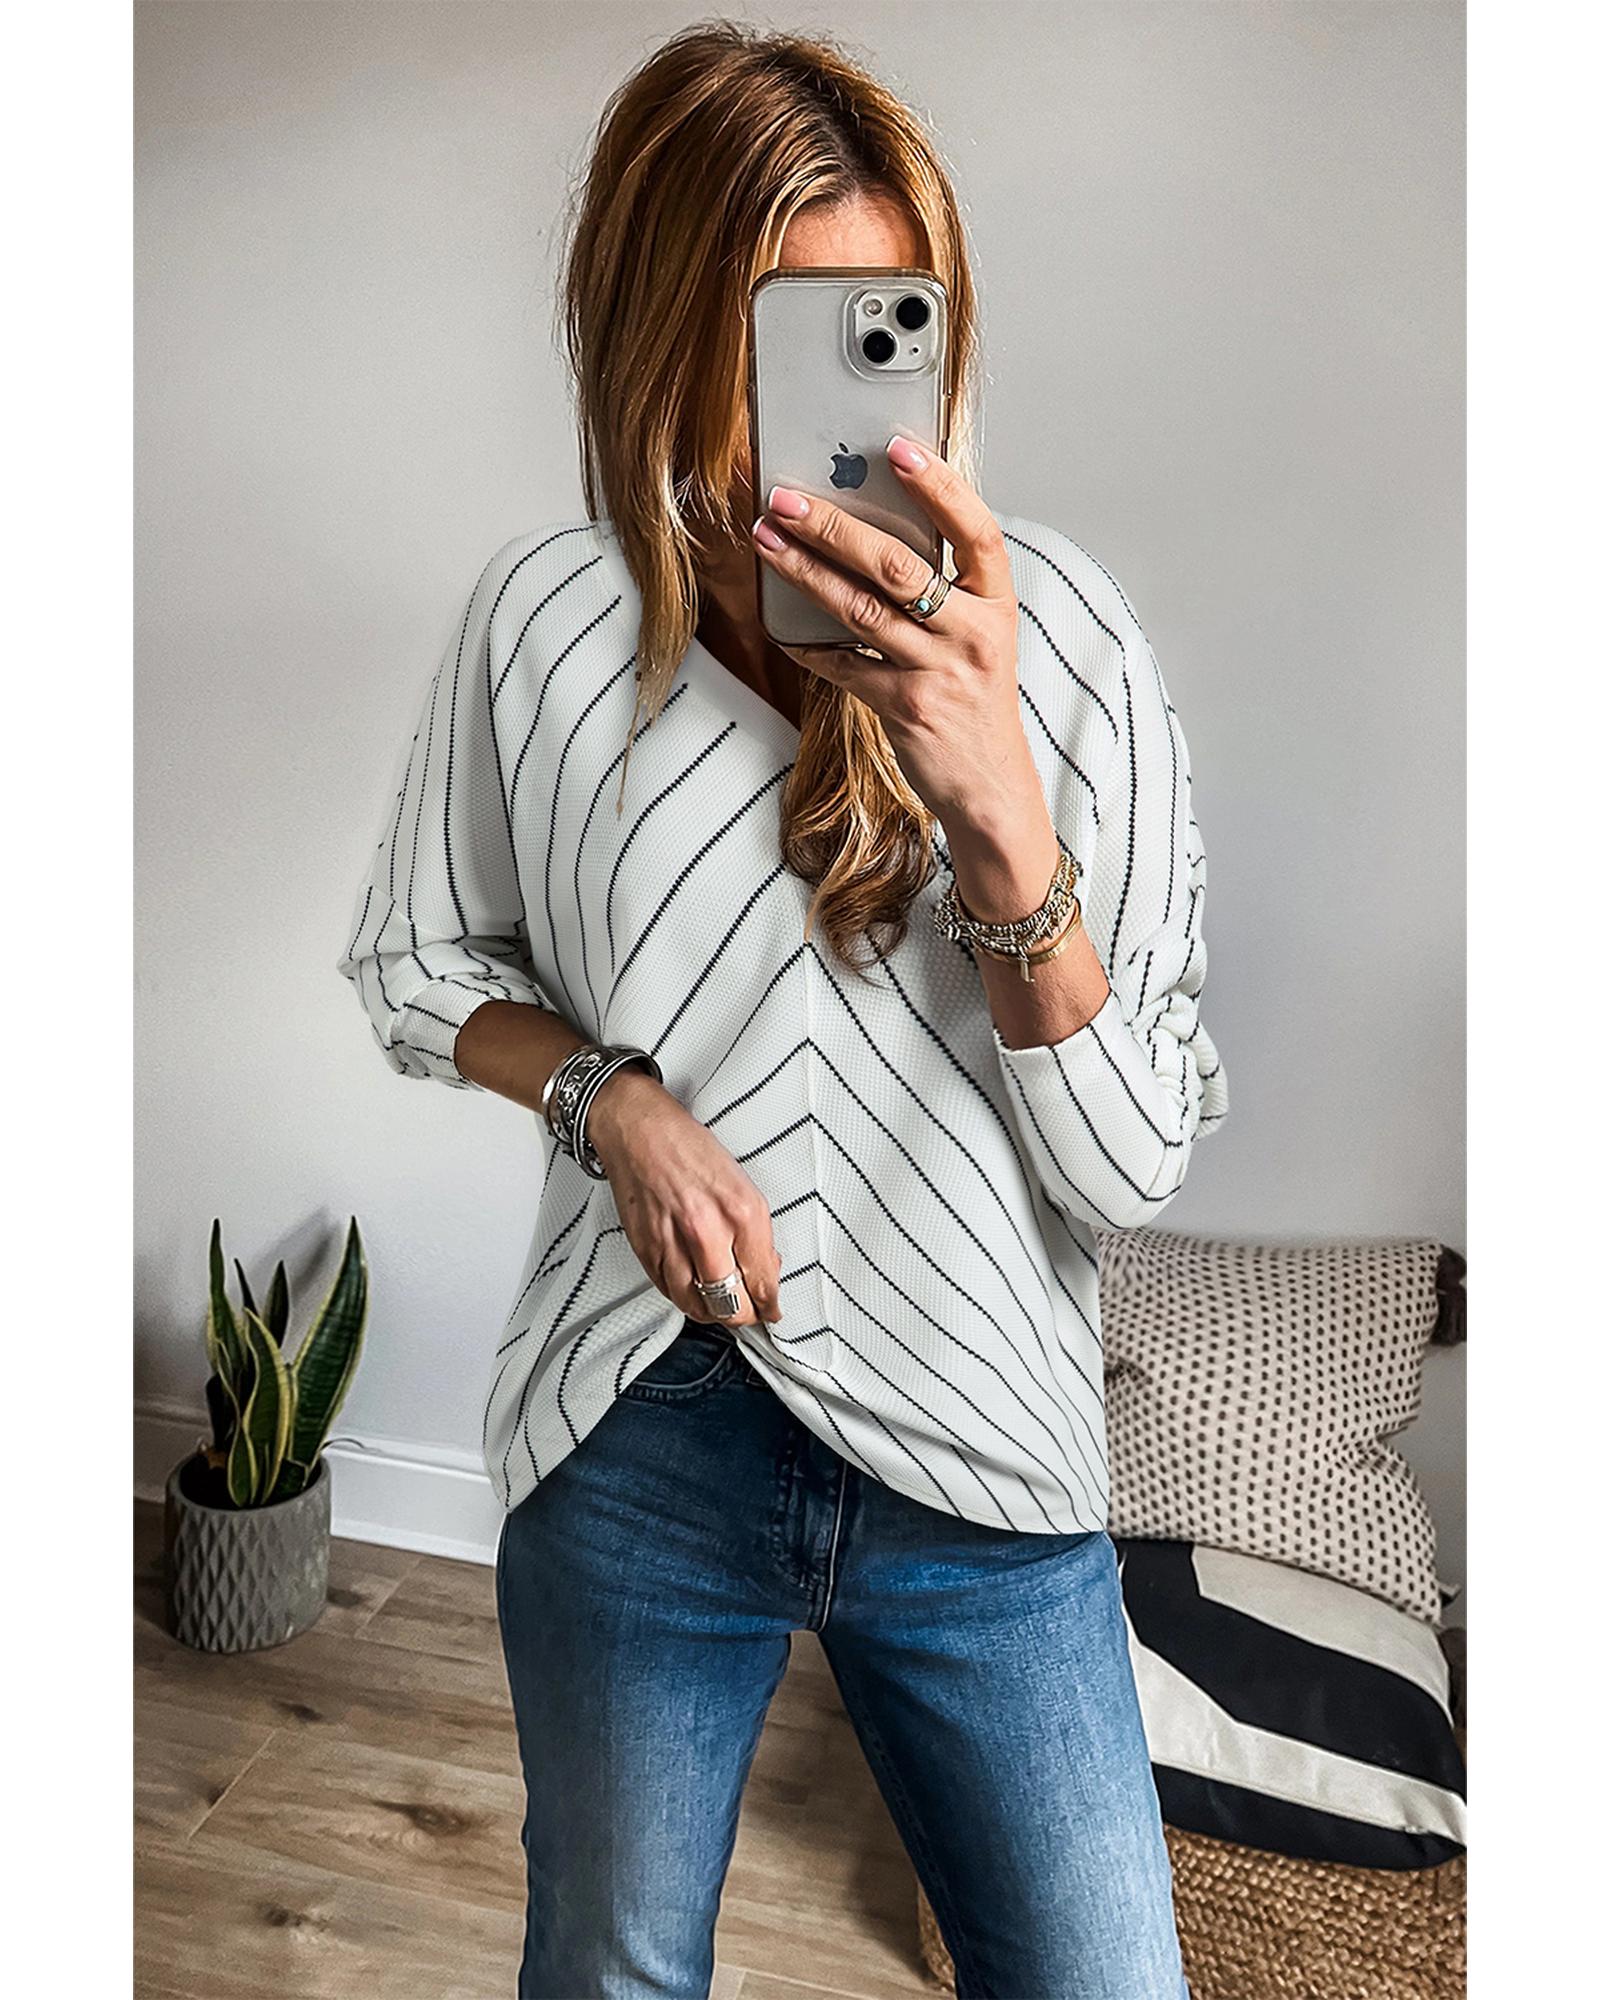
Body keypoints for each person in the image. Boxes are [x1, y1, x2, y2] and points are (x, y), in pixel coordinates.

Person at [336, 21, 1227, 1999]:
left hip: (982, 1446)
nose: (832, 398)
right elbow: (421, 966)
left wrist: (998, 814)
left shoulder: (1068, 648)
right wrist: (611, 1098)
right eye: (771, 330)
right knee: (609, 1970)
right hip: (638, 1426)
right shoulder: (544, 626)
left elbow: (1131, 1169)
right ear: (656, 333)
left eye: (876, 321)